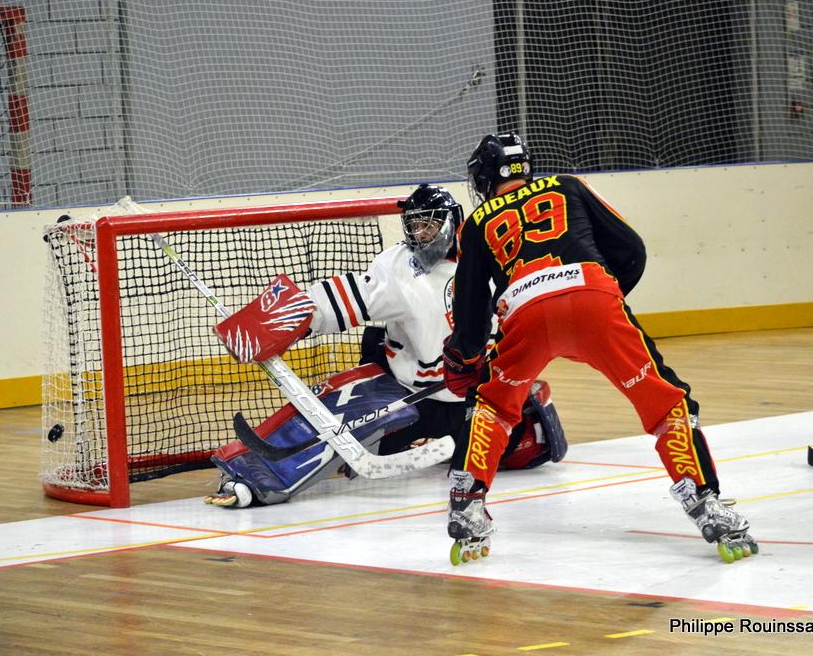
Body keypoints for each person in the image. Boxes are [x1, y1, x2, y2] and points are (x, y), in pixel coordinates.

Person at [441, 132, 756, 565]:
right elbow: (632, 249)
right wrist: (605, 297)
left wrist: (464, 357)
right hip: (593, 293)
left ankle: (467, 505)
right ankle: (706, 503)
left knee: (492, 406)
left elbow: (471, 311)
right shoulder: (568, 185)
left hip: (524, 310)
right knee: (666, 401)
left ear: (483, 179)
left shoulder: (476, 222)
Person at [206, 184, 567, 508]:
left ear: (451, 222)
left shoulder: (491, 257)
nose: (420, 234)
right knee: (342, 427)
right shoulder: (399, 266)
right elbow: (348, 297)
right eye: (414, 225)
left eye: (429, 225)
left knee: (537, 446)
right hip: (410, 396)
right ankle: (253, 474)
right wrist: (276, 321)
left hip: (474, 399)